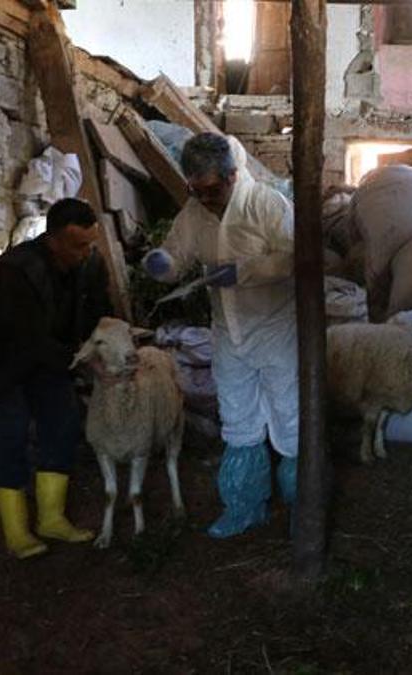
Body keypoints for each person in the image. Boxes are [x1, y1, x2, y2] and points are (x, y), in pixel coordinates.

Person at [143, 132, 298, 539]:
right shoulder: (195, 212)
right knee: (239, 421)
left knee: (291, 419)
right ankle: (246, 506)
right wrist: (163, 263)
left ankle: (304, 504)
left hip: (276, 330)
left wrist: (244, 271)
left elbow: (297, 256)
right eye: (194, 189)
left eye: (210, 189)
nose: (203, 198)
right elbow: (177, 253)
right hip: (228, 334)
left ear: (231, 176)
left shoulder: (266, 203)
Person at [0, 198, 111, 558]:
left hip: (50, 357)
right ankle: (17, 532)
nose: (86, 251)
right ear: (53, 240)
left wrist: (101, 347)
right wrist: (81, 362)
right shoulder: (15, 270)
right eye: (79, 245)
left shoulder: (90, 263)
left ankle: (51, 519)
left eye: (91, 242)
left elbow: (98, 313)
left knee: (62, 424)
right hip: (2, 361)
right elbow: (28, 338)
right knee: (10, 432)